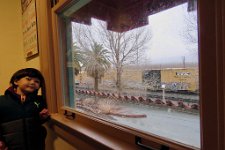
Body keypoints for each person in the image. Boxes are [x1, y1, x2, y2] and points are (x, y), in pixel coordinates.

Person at [0, 68, 50, 150]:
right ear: (16, 81)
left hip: (36, 145)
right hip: (9, 146)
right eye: (28, 79)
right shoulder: (2, 101)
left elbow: (37, 121)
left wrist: (42, 117)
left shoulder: (39, 101)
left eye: (37, 81)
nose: (33, 82)